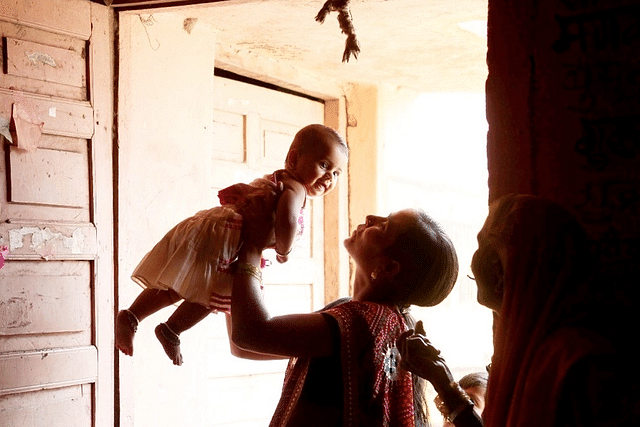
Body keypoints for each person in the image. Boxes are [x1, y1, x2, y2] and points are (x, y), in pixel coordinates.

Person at [115, 124, 349, 365]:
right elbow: (288, 218)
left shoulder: (282, 179)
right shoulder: (296, 188)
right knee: (217, 293)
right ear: (293, 158)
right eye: (324, 165)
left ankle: (134, 316)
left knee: (186, 284)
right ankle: (171, 329)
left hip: (220, 232)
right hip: (229, 238)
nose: (329, 176)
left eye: (337, 173)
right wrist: (284, 250)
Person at [398, 194, 637, 427]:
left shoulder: (579, 366)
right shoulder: (531, 353)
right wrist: (443, 381)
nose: (476, 258)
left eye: (486, 244)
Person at [230, 188, 460, 426]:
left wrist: (252, 246)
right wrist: (234, 265)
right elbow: (244, 346)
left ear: (390, 268)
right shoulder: (364, 317)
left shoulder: (361, 322)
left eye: (384, 226)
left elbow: (250, 333)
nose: (371, 218)